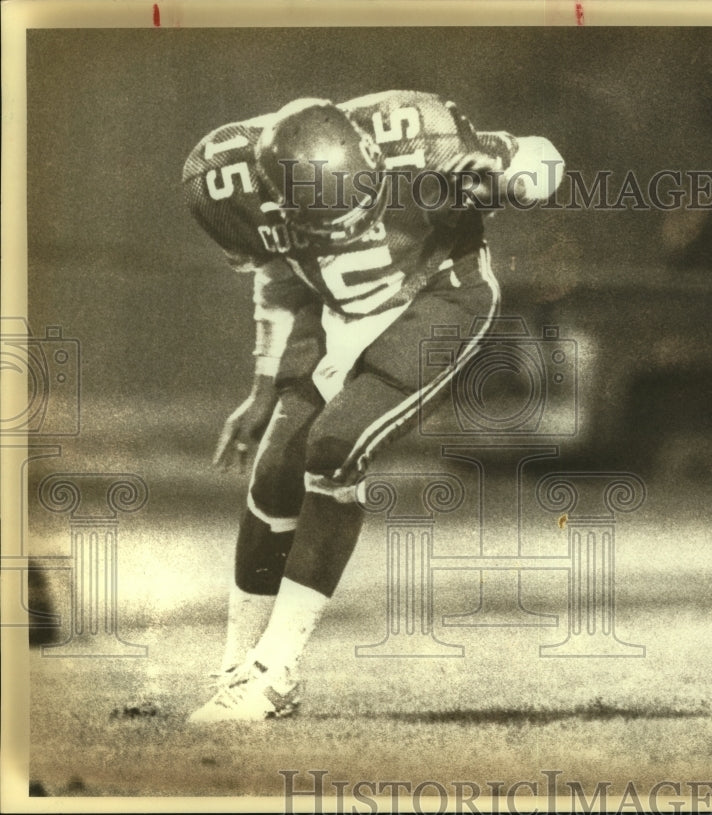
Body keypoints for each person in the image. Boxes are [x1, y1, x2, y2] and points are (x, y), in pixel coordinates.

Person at [182, 91, 563, 722]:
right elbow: (277, 276)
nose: (350, 224)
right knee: (276, 468)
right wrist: (262, 385)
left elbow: (541, 158)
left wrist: (517, 181)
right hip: (335, 312)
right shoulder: (232, 182)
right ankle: (236, 669)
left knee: (335, 447)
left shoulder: (420, 133)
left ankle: (275, 673)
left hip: (439, 299)